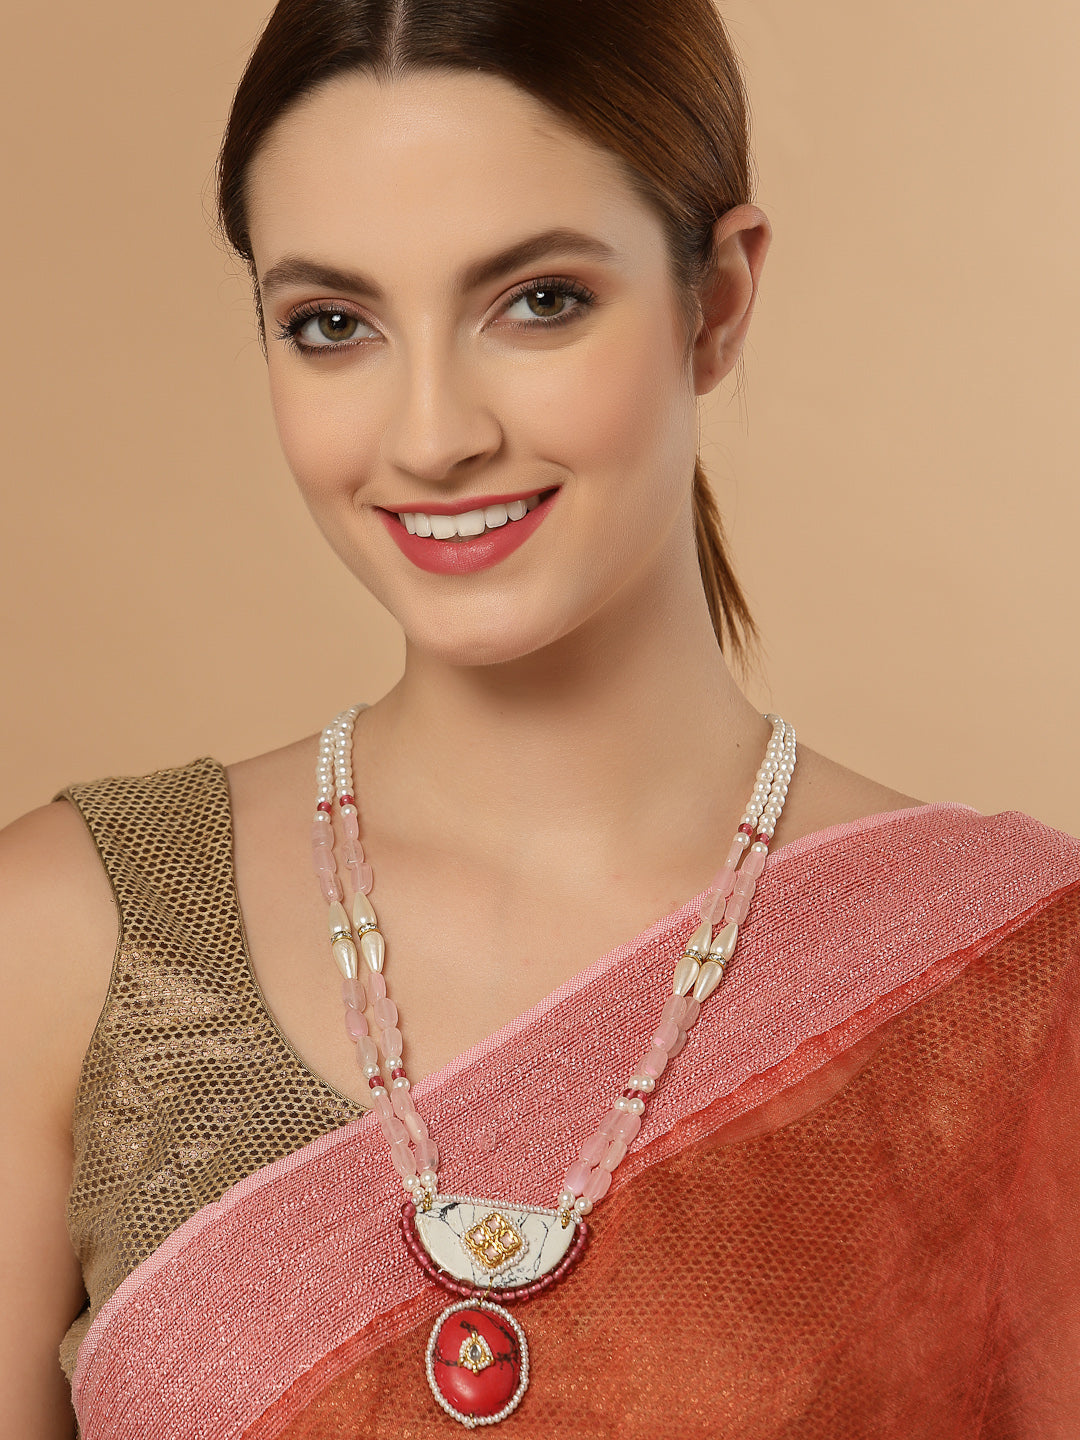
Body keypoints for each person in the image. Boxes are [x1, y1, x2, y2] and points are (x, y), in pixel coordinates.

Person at [2, 0, 1078, 1435]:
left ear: (717, 301)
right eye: (332, 325)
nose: (433, 435)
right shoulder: (70, 942)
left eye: (539, 301)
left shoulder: (1019, 976)